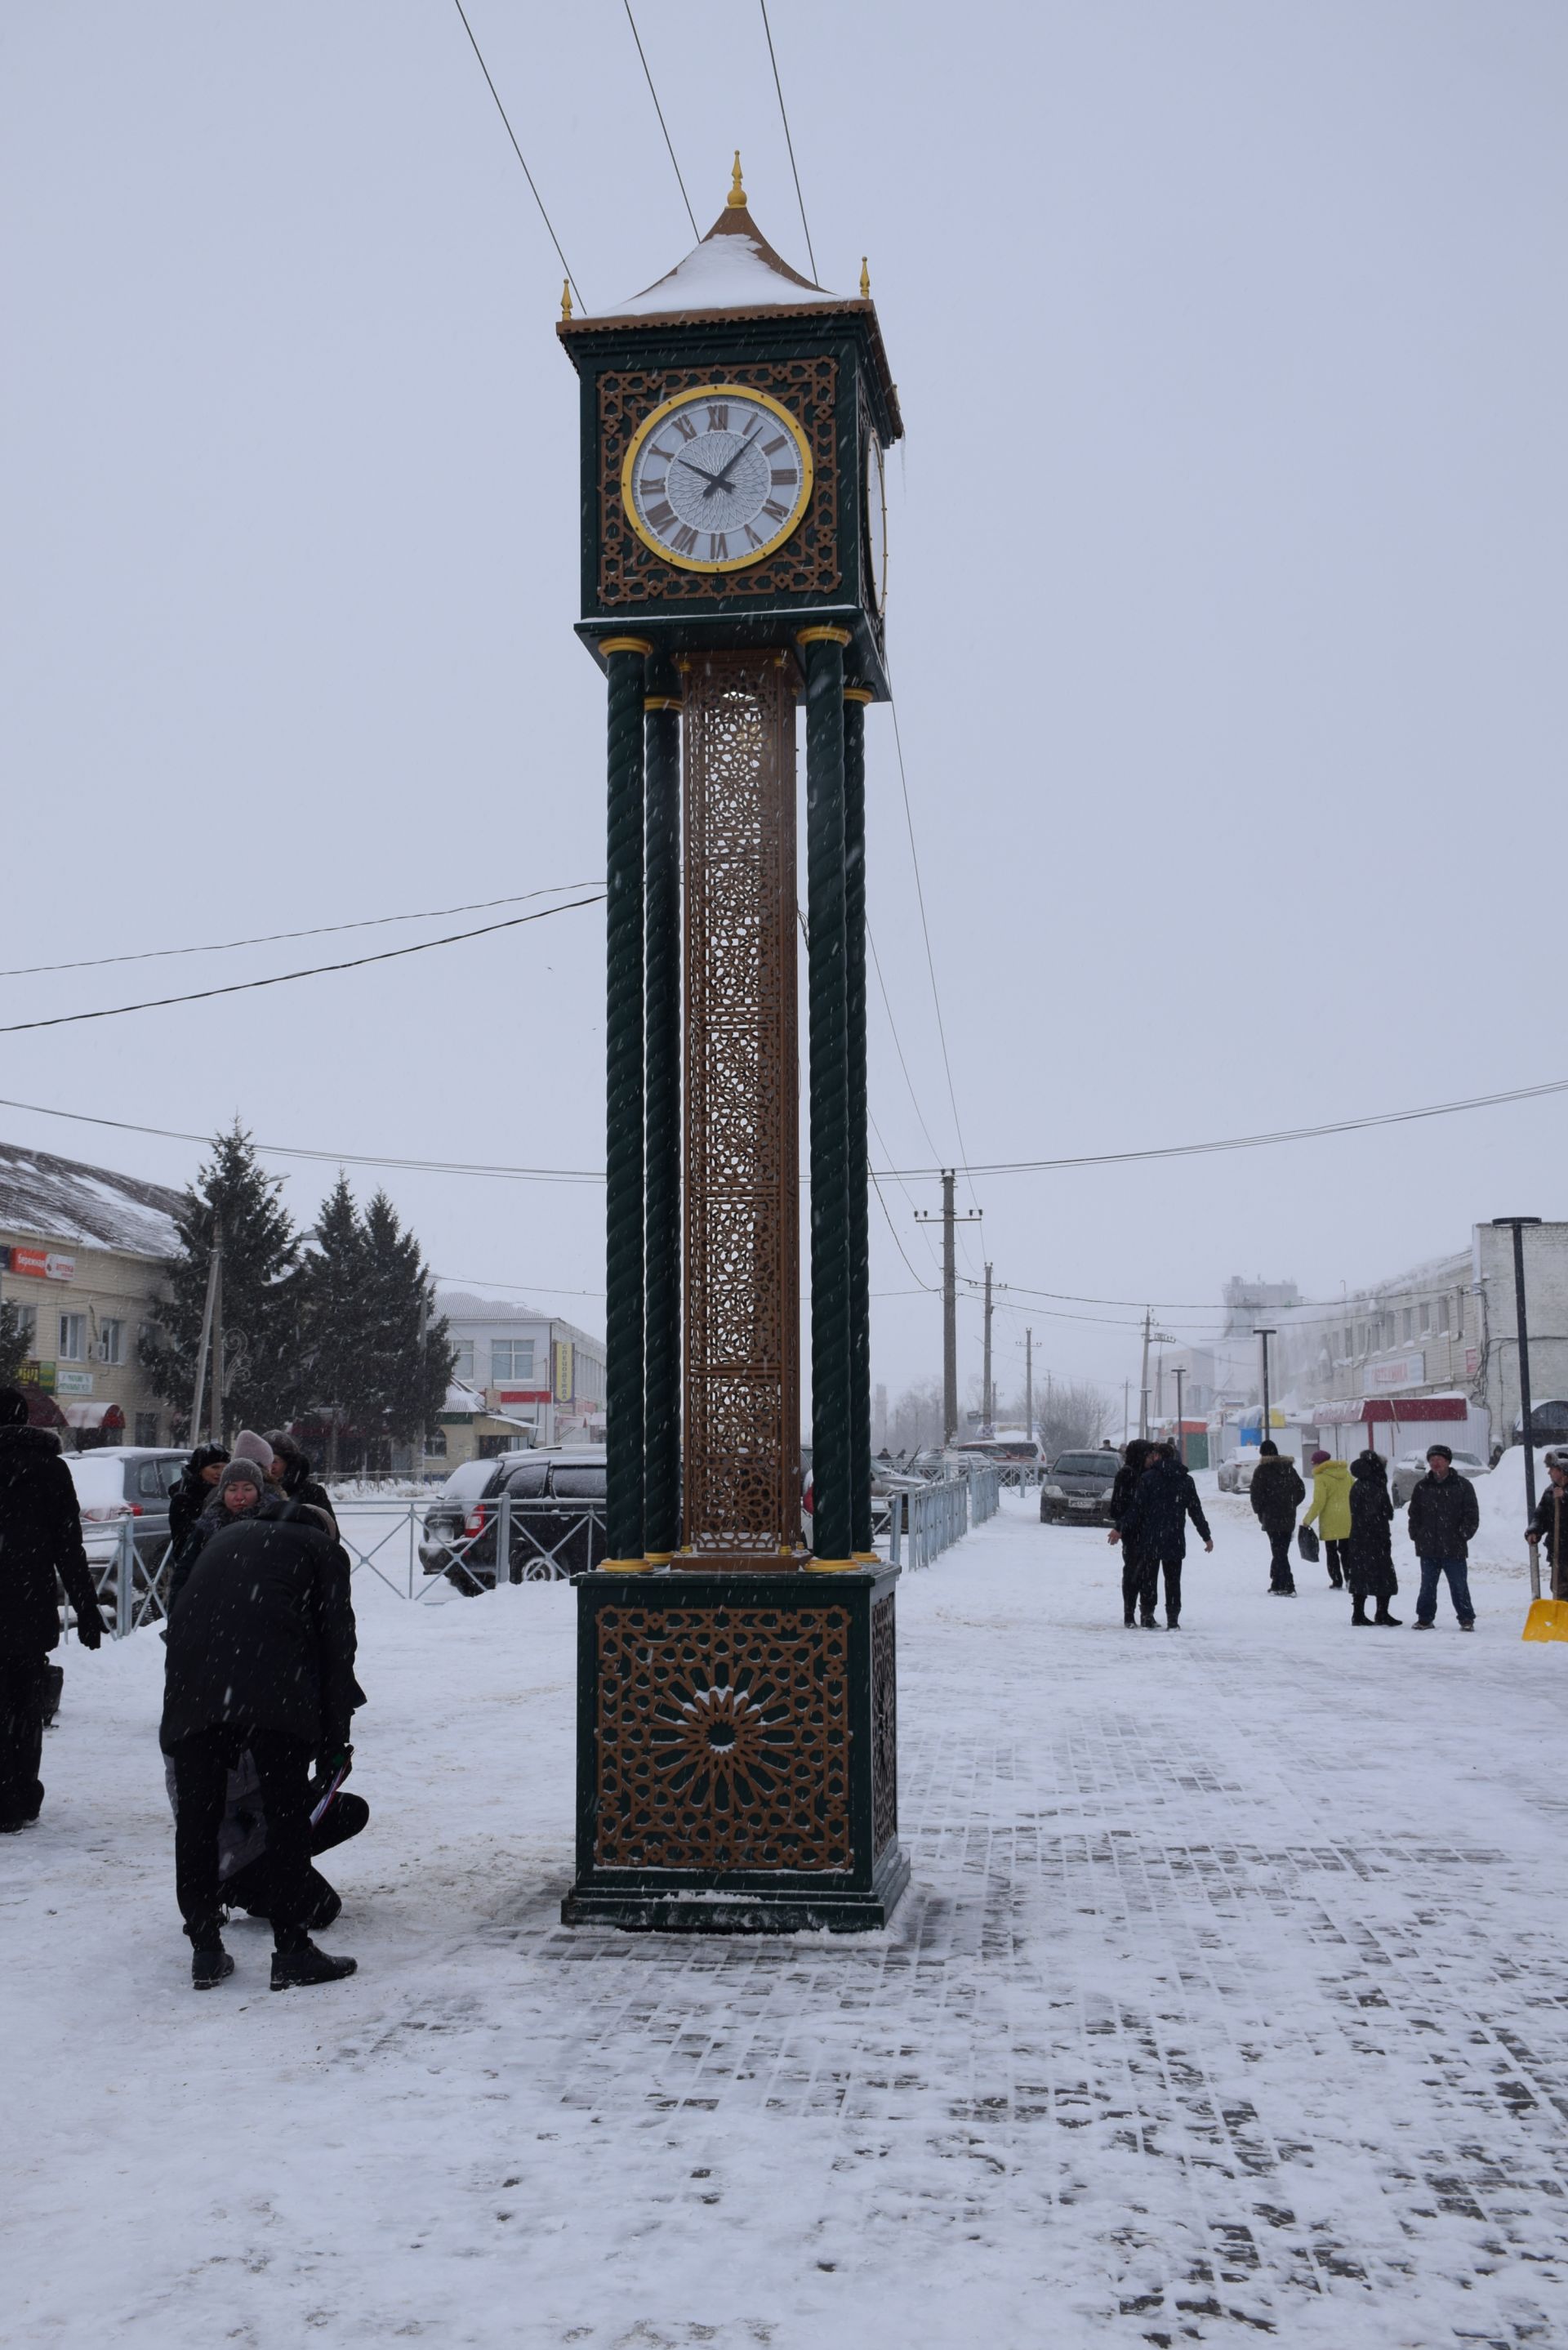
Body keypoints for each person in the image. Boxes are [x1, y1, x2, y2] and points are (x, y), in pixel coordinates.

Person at [162, 1466, 362, 1990]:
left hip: (195, 1691)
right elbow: (337, 1648)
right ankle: (292, 1949)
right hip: (273, 1687)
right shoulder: (322, 1550)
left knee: (197, 1819)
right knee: (288, 1812)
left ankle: (205, 1946)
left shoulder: (229, 1536)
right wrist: (335, 1738)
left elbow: (181, 1613)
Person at [0, 1385, 105, 1830]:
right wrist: (87, 1609)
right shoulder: (51, 1469)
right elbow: (69, 1547)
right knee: (24, 1707)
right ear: (26, 1419)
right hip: (27, 1608)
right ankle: (21, 1796)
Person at [163, 1744, 369, 1933]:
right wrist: (288, 1744)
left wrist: (326, 1758)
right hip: (235, 1848)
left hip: (269, 1818)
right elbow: (240, 1778)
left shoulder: (245, 1714)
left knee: (352, 1811)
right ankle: (230, 1890)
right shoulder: (194, 1733)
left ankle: (290, 1866)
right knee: (323, 1908)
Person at [1117, 1439, 1214, 1629]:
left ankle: (1147, 1615)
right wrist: (1206, 1536)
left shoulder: (1148, 1478)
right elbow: (1195, 1511)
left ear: (1157, 1456)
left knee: (1149, 1579)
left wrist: (1120, 1527)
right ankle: (1173, 1619)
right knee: (1173, 1581)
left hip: (1151, 1538)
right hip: (1174, 1538)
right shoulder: (1185, 1480)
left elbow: (1136, 1508)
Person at [1406, 1443, 1480, 1630]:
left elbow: (1471, 1514)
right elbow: (1414, 1513)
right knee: (1427, 1586)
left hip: (1454, 1546)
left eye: (1439, 1459)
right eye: (1432, 1459)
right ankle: (1424, 1618)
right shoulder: (1422, 1486)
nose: (1435, 1463)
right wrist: (1416, 1534)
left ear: (1447, 1462)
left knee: (1459, 1585)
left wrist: (1463, 1534)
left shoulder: (1462, 1486)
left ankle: (1466, 1618)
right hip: (1428, 1546)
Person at [1346, 1451, 1401, 1625]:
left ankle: (1359, 1613)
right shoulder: (1373, 1485)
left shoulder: (1360, 1484)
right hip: (1374, 1537)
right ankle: (1380, 1613)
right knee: (1383, 1575)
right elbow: (1379, 1512)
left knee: (1361, 1574)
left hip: (1360, 1536)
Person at [1107, 1438, 1156, 1625]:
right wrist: (1122, 1525)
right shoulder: (1126, 1475)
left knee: (1150, 1575)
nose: (1152, 1459)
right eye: (1149, 1455)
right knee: (1133, 1574)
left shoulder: (1152, 1475)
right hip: (1132, 1532)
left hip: (1151, 1532)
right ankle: (1130, 1614)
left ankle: (1147, 1614)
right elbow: (1117, 1507)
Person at [1249, 1440, 1305, 1595]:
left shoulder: (1262, 1470)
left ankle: (1288, 1585)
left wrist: (1260, 1510)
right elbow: (1301, 1490)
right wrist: (1291, 1504)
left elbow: (1256, 1494)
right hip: (1288, 1516)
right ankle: (1277, 1582)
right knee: (1281, 1551)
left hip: (1272, 1517)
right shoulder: (1288, 1469)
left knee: (1278, 1552)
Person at [263, 1429, 337, 1531]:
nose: (270, 1467)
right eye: (265, 1461)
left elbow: (329, 1531)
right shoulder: (254, 1492)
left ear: (288, 1463)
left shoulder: (312, 1493)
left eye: (275, 1461)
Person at [1302, 1449, 1354, 1589]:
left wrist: (1308, 1519)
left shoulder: (1321, 1477)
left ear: (1319, 1464)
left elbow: (1319, 1501)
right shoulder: (1346, 1474)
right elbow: (1354, 1493)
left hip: (1331, 1518)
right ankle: (1350, 1578)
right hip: (1348, 1517)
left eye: (1314, 1464)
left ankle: (1337, 1581)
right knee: (1346, 1550)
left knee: (1331, 1551)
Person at [167, 1443, 229, 1556]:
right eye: (215, 1467)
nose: (221, 1472)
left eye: (225, 1467)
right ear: (200, 1470)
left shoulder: (228, 1493)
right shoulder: (184, 1499)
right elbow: (182, 1542)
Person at [1526, 1448, 1568, 1599]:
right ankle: (1563, 1621)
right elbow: (1541, 1515)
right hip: (1559, 1553)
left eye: (1552, 1469)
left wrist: (1565, 1498)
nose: (1549, 1472)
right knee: (1558, 1588)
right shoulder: (1550, 1492)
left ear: (1563, 1470)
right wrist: (1534, 1531)